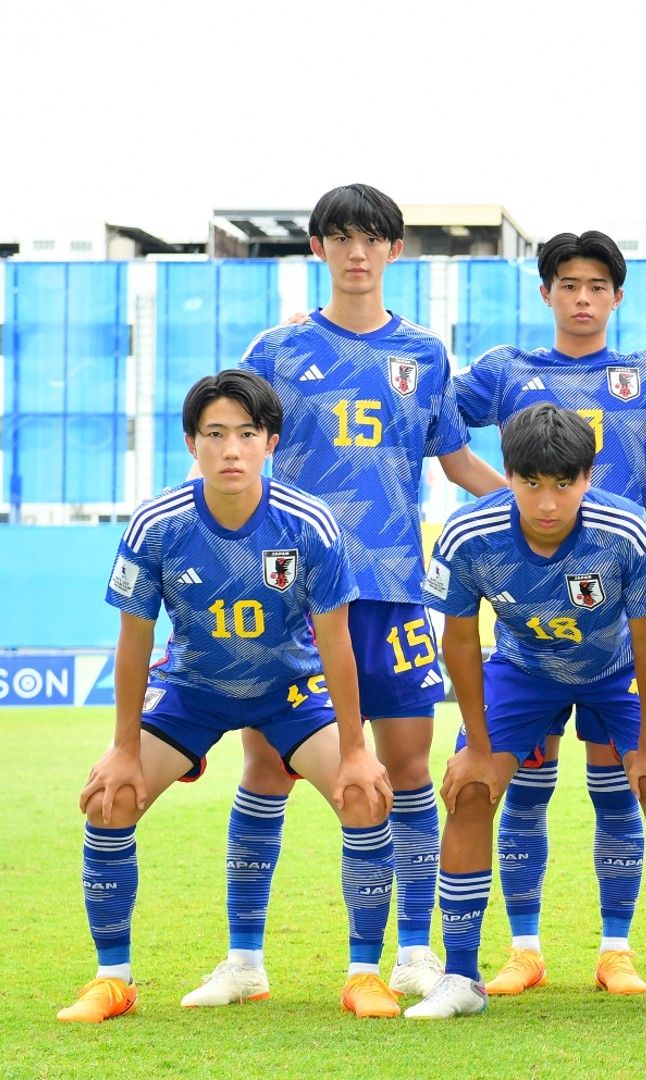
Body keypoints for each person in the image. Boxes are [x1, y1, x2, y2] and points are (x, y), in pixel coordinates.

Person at [185, 184, 505, 1008]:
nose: (357, 251)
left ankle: (412, 953)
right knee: (266, 766)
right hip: (292, 596)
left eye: (372, 238)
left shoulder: (426, 354)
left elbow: (457, 462)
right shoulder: (276, 351)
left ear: (395, 251)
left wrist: (528, 508)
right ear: (318, 249)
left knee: (405, 768)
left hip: (395, 589)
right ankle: (245, 960)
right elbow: (229, 453)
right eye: (340, 237)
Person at [61, 370, 396, 1022]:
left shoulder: (310, 524)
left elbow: (337, 644)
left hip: (289, 689)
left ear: (270, 441)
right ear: (193, 443)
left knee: (363, 792)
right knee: (110, 797)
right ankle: (112, 978)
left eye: (246, 433)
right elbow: (134, 642)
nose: (231, 449)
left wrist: (356, 749)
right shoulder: (158, 524)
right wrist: (122, 748)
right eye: (215, 434)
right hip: (193, 687)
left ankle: (364, 974)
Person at [451, 230, 646, 998]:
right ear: (546, 294)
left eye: (598, 285)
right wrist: (501, 504)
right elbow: (433, 416)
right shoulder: (507, 371)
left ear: (616, 297)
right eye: (569, 284)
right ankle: (520, 952)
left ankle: (622, 952)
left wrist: (635, 471)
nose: (583, 297)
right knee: (517, 792)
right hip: (529, 626)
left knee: (630, 792)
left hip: (614, 615)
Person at [407, 404, 646, 1020]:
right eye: (531, 483)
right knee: (469, 790)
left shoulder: (627, 532)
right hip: (524, 668)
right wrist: (477, 743)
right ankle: (462, 978)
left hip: (616, 669)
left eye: (564, 483)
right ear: (510, 475)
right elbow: (461, 640)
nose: (548, 502)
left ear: (589, 476)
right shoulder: (470, 535)